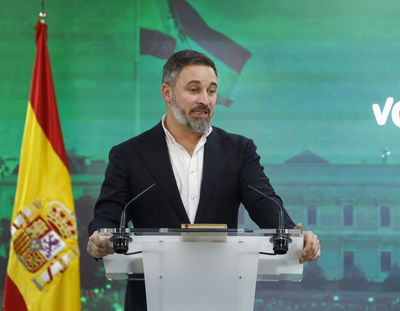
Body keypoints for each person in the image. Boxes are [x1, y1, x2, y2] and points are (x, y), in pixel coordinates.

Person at [87, 50, 320, 310]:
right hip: (150, 299)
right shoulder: (129, 154)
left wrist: (292, 235)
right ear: (167, 93)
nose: (205, 100)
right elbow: (107, 216)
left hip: (220, 296)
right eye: (194, 90)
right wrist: (99, 239)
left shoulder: (239, 150)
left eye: (211, 91)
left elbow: (265, 204)